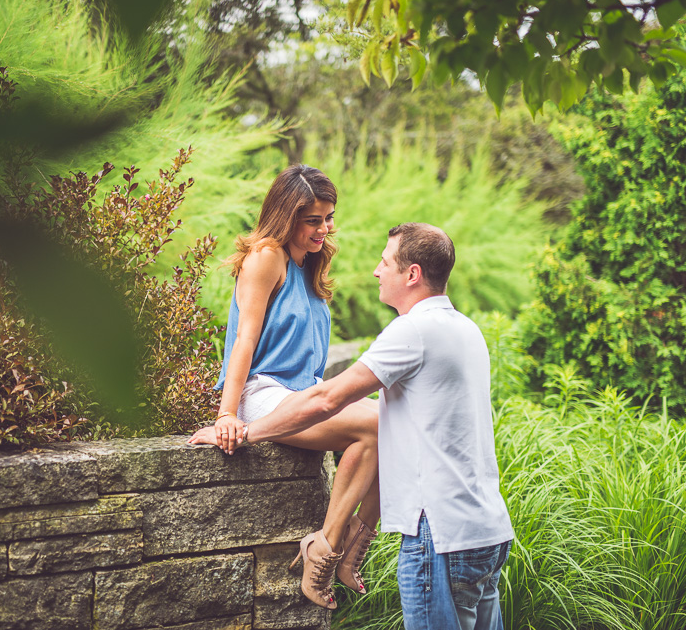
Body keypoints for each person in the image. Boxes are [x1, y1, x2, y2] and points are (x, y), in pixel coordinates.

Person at [215, 222, 515, 630]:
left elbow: (326, 399)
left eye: (385, 261)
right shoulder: (466, 329)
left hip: (440, 538)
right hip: (488, 534)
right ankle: (342, 542)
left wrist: (244, 429)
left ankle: (327, 546)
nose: (376, 270)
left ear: (412, 275)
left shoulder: (412, 331)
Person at [187, 164, 381, 610]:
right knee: (374, 422)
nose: (324, 228)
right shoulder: (266, 256)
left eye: (328, 218)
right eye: (313, 219)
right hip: (266, 395)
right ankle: (327, 550)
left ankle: (351, 548)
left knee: (392, 423)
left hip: (303, 392)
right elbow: (244, 339)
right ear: (286, 214)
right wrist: (226, 414)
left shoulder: (310, 261)